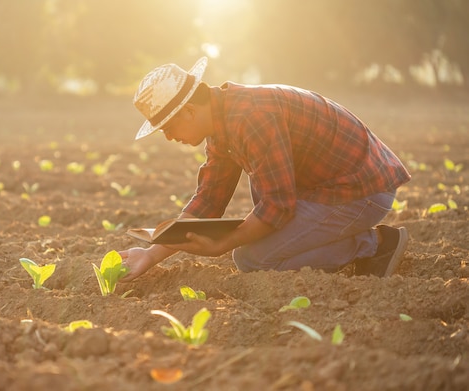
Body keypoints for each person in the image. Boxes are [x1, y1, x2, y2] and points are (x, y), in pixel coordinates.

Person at [119, 57, 410, 282]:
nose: (169, 137)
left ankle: (375, 244)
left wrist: (225, 243)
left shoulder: (252, 117)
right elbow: (209, 199)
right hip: (321, 190)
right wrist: (150, 254)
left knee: (252, 260)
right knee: (256, 242)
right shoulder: (222, 122)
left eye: (168, 128)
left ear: (190, 111)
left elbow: (277, 206)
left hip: (361, 190)